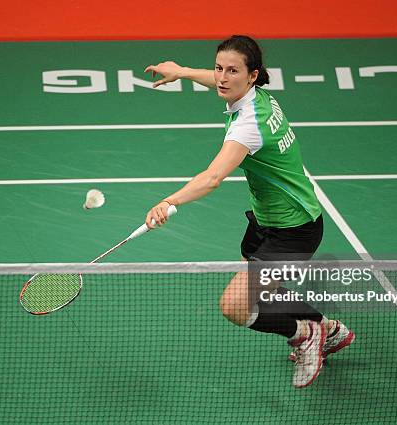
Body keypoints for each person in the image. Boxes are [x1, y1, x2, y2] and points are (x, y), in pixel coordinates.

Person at [144, 35, 354, 388]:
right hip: (268, 220)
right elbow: (219, 81)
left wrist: (169, 201)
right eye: (219, 68)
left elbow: (212, 178)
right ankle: (330, 330)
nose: (222, 78)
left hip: (293, 229)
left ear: (252, 75)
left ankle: (304, 335)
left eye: (232, 71)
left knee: (235, 306)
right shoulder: (253, 96)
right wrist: (181, 71)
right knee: (264, 292)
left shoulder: (248, 125)